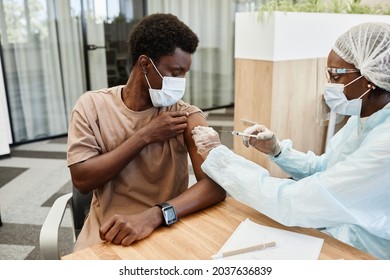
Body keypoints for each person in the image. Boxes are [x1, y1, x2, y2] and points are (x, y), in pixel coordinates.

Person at [192, 22, 390, 259]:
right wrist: (277, 151)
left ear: (371, 77)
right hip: (342, 235)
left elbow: (292, 202)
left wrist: (219, 156)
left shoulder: (385, 145)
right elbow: (326, 169)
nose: (329, 86)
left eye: (336, 76)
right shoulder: (366, 116)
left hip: (369, 255)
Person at [67, 13, 226, 252]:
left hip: (167, 224)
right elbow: (82, 179)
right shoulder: (91, 106)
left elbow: (215, 187)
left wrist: (154, 216)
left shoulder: (186, 116)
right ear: (144, 64)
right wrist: (145, 135)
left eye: (185, 74)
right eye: (175, 73)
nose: (181, 82)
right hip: (107, 231)